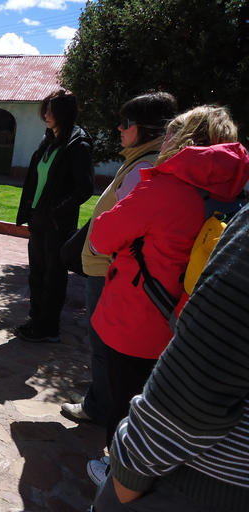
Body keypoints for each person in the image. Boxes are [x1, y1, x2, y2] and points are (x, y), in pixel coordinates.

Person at [87, 105, 249, 463]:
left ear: (186, 139)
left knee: (126, 408)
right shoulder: (237, 190)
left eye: (171, 133)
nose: (164, 141)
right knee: (162, 409)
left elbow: (100, 238)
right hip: (193, 323)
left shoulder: (165, 188)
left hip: (137, 321)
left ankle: (117, 476)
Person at [93, 195, 249, 512]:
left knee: (122, 392)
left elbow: (193, 393)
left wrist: (125, 479)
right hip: (163, 320)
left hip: (199, 481)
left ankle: (110, 465)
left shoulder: (167, 189)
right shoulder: (225, 197)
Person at [62, 92, 178, 425]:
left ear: (146, 128)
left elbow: (122, 229)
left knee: (104, 347)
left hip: (113, 272)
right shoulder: (144, 161)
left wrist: (99, 247)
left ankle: (102, 411)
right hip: (118, 271)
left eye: (126, 123)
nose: (120, 129)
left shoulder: (145, 166)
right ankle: (101, 403)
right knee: (109, 349)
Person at [15, 89, 94, 343]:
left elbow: (85, 187)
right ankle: (36, 318)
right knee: (37, 272)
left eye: (52, 110)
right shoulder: (48, 140)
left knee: (53, 276)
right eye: (46, 109)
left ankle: (49, 326)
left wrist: (56, 209)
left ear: (65, 113)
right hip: (39, 219)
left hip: (58, 224)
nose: (47, 115)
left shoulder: (77, 144)